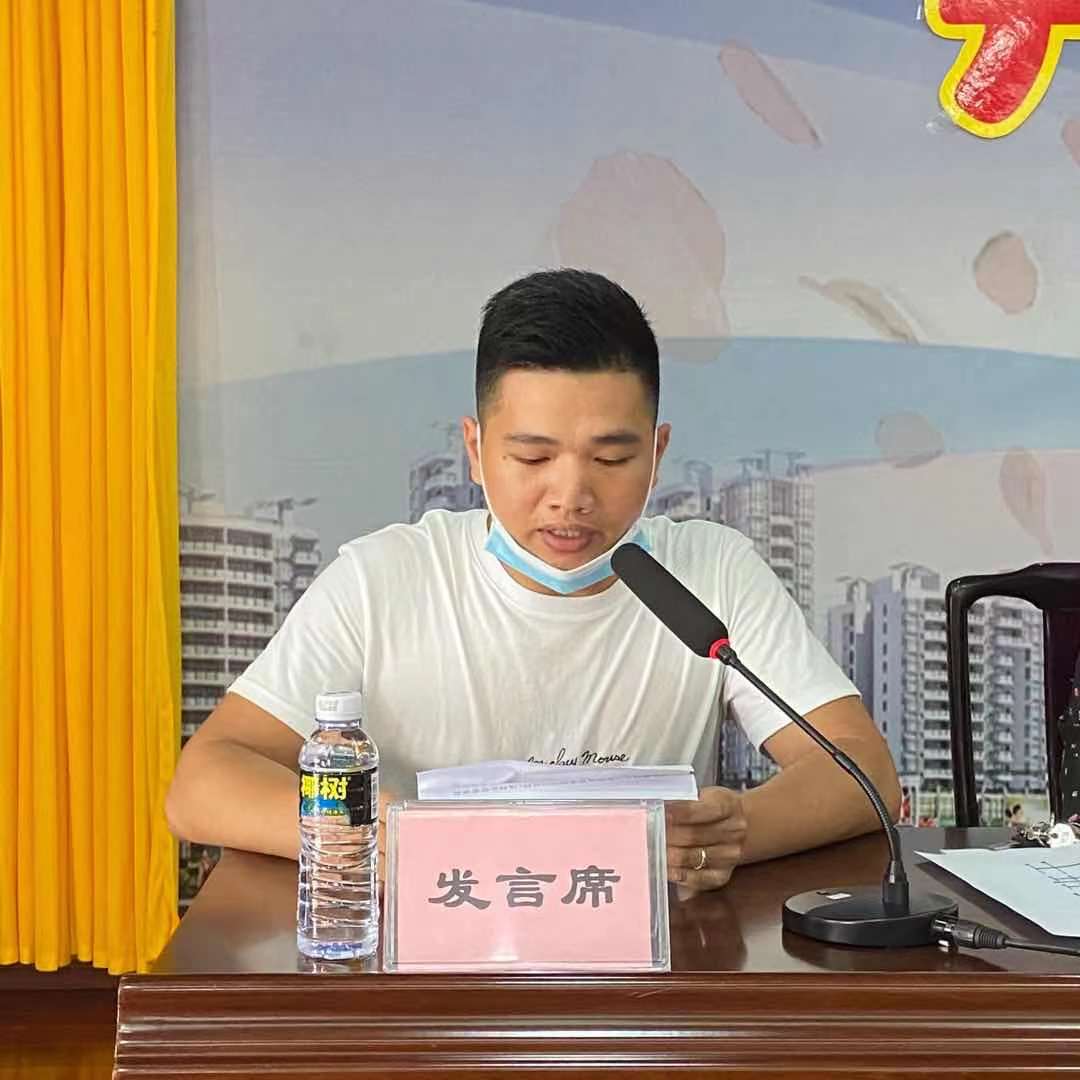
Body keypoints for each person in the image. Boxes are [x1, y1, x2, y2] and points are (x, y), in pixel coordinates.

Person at [166, 269, 900, 892]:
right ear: (475, 449)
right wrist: (380, 833)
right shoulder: (383, 578)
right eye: (532, 458)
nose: (570, 496)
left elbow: (862, 770)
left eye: (611, 459)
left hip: (641, 963)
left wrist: (735, 830)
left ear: (657, 451)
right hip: (433, 943)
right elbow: (204, 782)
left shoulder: (712, 572)